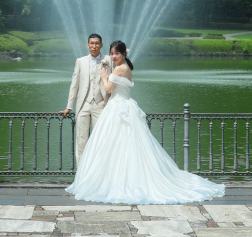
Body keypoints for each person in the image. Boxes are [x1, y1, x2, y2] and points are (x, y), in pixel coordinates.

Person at [65, 39, 225, 204]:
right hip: (122, 106)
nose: (113, 57)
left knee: (116, 144)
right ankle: (118, 179)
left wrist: (104, 77)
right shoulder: (126, 67)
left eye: (117, 53)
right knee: (122, 145)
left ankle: (115, 181)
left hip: (119, 107)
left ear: (123, 54)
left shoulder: (120, 68)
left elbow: (107, 89)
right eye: (112, 54)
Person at [60, 32, 109, 164]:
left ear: (101, 45)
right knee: (81, 140)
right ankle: (81, 171)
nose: (94, 46)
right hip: (83, 105)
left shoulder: (108, 60)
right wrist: (69, 106)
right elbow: (74, 84)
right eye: (92, 43)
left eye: (97, 43)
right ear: (87, 45)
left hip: (101, 104)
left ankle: (99, 170)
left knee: (101, 139)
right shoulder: (80, 61)